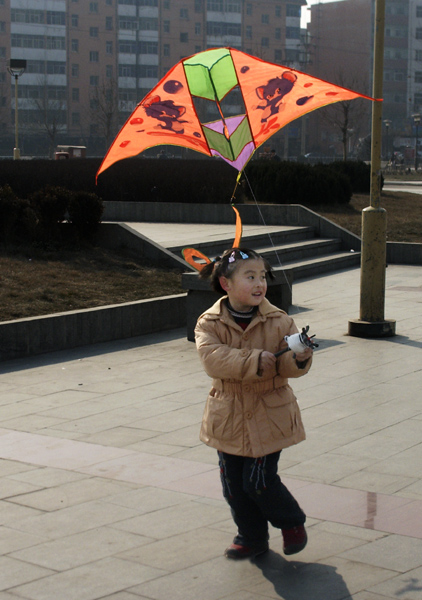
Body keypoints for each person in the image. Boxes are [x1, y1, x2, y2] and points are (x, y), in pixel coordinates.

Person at [195, 247, 313, 560]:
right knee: (233, 486)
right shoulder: (209, 322)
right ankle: (251, 537)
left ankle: (292, 523)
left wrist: (300, 357)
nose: (260, 283)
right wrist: (251, 360)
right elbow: (212, 359)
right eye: (250, 277)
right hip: (228, 416)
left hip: (268, 415)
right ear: (226, 284)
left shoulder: (280, 321)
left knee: (258, 481)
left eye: (262, 276)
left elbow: (288, 367)